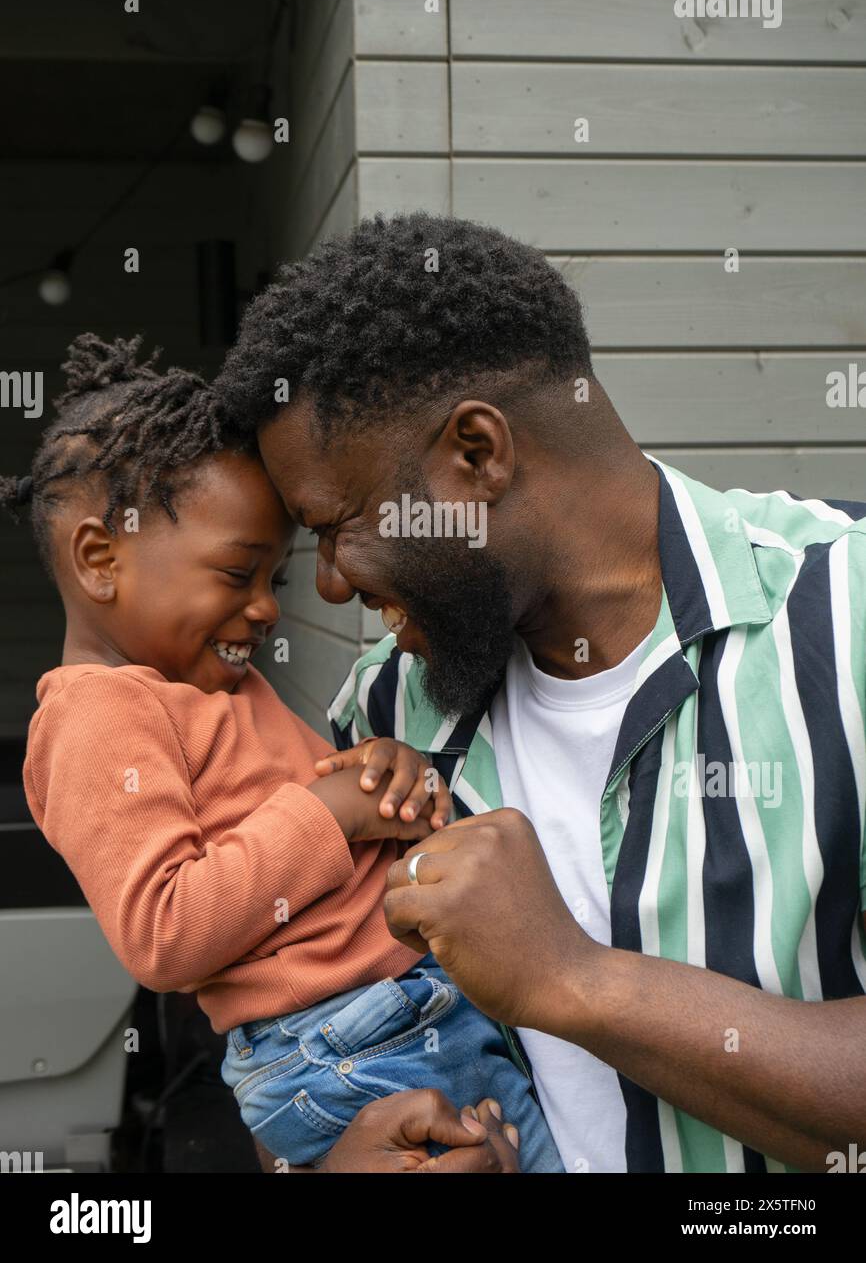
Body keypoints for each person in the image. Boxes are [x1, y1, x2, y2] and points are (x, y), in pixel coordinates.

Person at [216, 209, 866, 1173]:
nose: (332, 584)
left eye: (337, 524)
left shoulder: (844, 619)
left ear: (476, 454)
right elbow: (317, 1036)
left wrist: (575, 981)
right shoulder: (385, 714)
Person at [8, 333, 563, 1172]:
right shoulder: (98, 715)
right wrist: (328, 816)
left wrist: (385, 770)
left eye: (276, 579)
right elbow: (165, 932)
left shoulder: (213, 690)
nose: (266, 610)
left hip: (396, 1015)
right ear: (99, 559)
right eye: (238, 575)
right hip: (351, 1040)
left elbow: (309, 805)